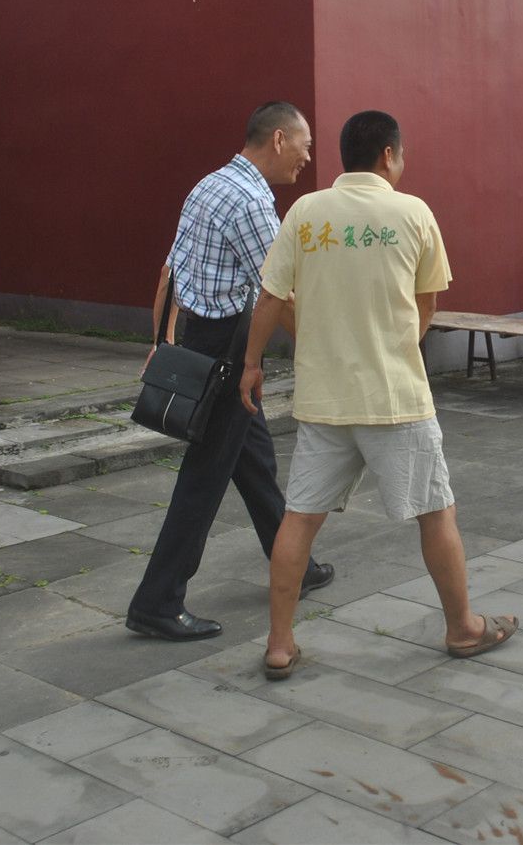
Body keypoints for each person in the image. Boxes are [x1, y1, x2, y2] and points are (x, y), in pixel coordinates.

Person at [240, 111, 518, 679]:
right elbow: (427, 302)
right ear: (389, 155)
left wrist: (251, 364)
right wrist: (397, 347)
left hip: (324, 400)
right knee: (435, 513)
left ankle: (279, 642)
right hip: (395, 397)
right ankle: (463, 627)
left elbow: (270, 297)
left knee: (299, 519)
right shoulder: (412, 213)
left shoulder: (305, 211)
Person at [124, 103, 333, 642]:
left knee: (254, 461)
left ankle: (296, 564)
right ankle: (156, 601)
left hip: (204, 340)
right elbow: (278, 293)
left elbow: (170, 271)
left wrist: (162, 342)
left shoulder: (209, 185)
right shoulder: (251, 202)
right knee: (203, 479)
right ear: (280, 139)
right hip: (225, 351)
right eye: (306, 145)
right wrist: (325, 352)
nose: (308, 157)